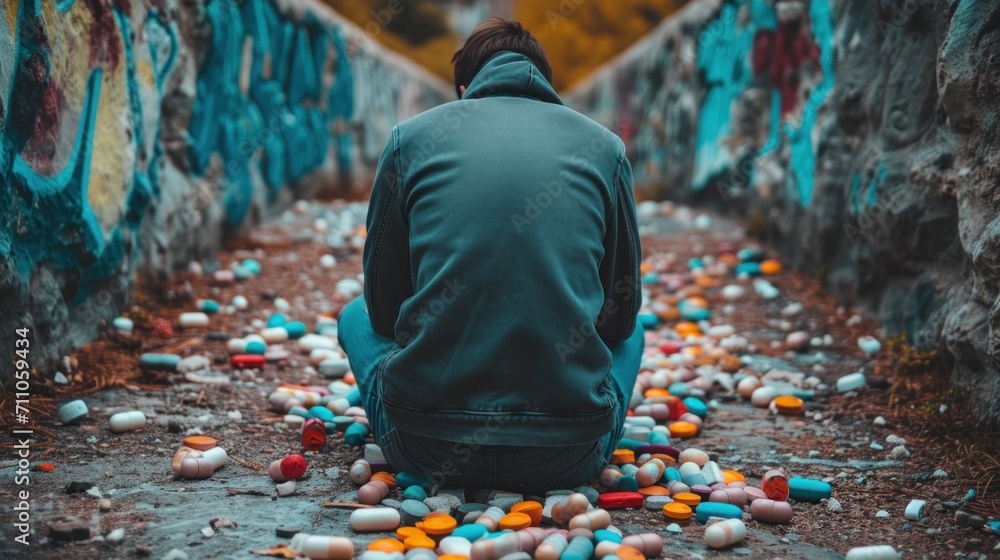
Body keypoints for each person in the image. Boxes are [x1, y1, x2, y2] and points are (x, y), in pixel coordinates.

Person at [338, 18, 643, 496]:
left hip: (424, 447)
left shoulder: (410, 140)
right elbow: (619, 320)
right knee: (637, 331)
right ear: (544, 85)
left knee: (354, 314)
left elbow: (382, 311)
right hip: (566, 457)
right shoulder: (604, 147)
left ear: (465, 89)